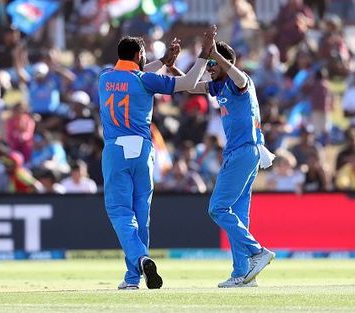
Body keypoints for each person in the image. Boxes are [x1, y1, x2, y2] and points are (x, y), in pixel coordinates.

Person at [98, 27, 215, 290]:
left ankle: (139, 260)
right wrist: (203, 55)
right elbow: (187, 84)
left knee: (120, 211)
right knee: (142, 213)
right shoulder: (145, 81)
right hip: (142, 150)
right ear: (139, 54)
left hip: (115, 150)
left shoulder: (104, 78)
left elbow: (130, 75)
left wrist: (163, 62)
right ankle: (133, 276)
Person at [186, 39, 276, 288]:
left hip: (243, 152)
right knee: (237, 214)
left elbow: (241, 79)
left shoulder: (239, 81)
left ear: (225, 62)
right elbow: (191, 87)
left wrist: (216, 54)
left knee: (217, 208)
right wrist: (171, 68)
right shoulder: (218, 86)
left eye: (214, 64)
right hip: (244, 153)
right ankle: (243, 273)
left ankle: (257, 251)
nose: (210, 68)